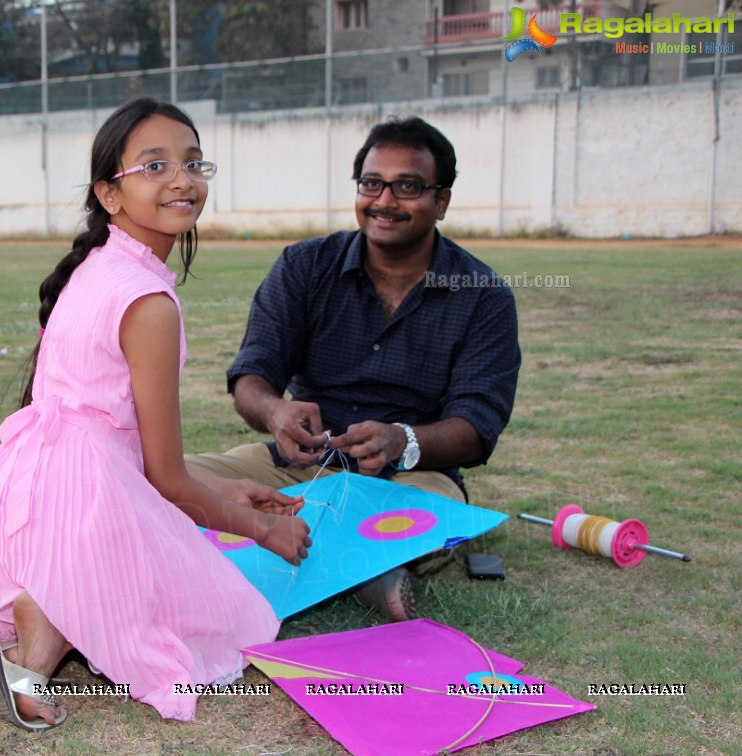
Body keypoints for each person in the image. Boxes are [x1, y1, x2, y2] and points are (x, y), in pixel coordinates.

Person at [0, 98, 311, 731]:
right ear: (110, 193)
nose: (182, 180)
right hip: (82, 502)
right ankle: (43, 623)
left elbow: (120, 446)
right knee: (237, 622)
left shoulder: (94, 268)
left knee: (102, 575)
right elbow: (161, 479)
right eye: (154, 166)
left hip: (28, 493)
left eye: (193, 163)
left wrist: (228, 486)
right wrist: (260, 529)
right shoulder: (150, 303)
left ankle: (33, 643)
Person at [186, 116, 520, 623]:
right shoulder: (304, 267)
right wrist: (277, 413)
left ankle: (300, 546)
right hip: (294, 463)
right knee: (159, 478)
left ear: (441, 201)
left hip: (411, 477)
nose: (385, 201)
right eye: (371, 183)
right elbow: (252, 376)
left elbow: (476, 428)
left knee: (417, 517)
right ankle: (364, 571)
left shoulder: (483, 296)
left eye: (408, 186)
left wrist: (401, 440)